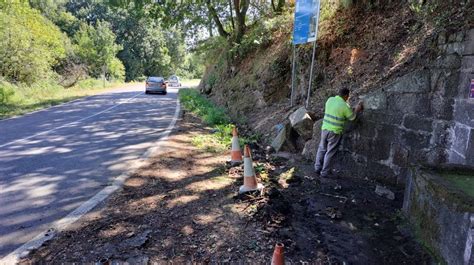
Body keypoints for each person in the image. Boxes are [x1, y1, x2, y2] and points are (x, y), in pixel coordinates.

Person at [314, 88, 363, 177]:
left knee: (321, 148)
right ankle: (325, 172)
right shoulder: (345, 106)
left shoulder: (330, 100)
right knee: (330, 152)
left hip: (325, 129)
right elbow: (352, 118)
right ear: (345, 96)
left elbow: (337, 110)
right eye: (348, 96)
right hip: (335, 132)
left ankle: (317, 168)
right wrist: (357, 109)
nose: (348, 98)